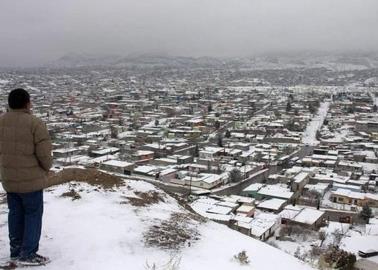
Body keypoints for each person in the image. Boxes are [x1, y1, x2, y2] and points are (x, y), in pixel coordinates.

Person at [0, 88, 53, 266]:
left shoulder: (1, 121)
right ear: (27, 103)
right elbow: (44, 154)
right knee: (32, 215)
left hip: (9, 179)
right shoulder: (35, 123)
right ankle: (28, 253)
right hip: (31, 181)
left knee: (15, 214)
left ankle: (15, 251)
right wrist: (46, 168)